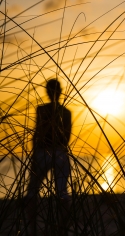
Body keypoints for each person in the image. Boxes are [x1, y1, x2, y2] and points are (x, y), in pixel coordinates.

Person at [24, 79, 72, 235]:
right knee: (62, 192)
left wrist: (34, 154)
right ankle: (61, 228)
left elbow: (36, 134)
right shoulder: (66, 112)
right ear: (60, 91)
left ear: (47, 92)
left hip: (42, 152)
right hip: (59, 152)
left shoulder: (41, 110)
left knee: (32, 191)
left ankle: (33, 230)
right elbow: (66, 138)